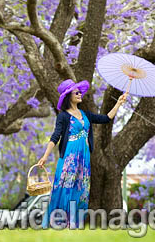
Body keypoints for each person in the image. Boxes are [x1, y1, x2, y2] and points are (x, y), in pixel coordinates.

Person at [37, 79, 127, 228]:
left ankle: (74, 223)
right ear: (68, 96)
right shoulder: (63, 116)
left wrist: (118, 103)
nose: (80, 94)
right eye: (76, 92)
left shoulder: (85, 114)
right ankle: (60, 222)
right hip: (69, 157)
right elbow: (55, 136)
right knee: (66, 187)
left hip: (84, 158)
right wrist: (45, 157)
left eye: (80, 91)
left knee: (81, 189)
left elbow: (106, 118)